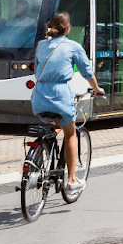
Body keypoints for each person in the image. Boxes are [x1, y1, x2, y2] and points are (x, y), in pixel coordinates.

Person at [31, 11, 102, 192]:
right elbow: (87, 72)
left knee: (51, 127)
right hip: (60, 94)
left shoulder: (41, 45)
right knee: (70, 134)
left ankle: (38, 160)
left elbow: (37, 68)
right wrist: (97, 89)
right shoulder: (73, 46)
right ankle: (71, 180)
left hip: (39, 95)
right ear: (68, 28)